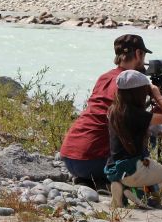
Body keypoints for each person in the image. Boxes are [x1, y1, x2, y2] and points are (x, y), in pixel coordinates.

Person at [59, 34, 152, 187]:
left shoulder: (105, 77)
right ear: (138, 54)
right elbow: (136, 123)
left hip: (69, 157)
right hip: (91, 161)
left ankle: (93, 181)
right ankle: (136, 180)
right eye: (143, 55)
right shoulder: (130, 85)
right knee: (146, 131)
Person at [105, 70, 162, 208]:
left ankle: (122, 189)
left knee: (155, 174)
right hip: (136, 171)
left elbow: (135, 128)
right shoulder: (138, 115)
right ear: (139, 93)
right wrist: (158, 96)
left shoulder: (114, 110)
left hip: (114, 170)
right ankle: (140, 192)